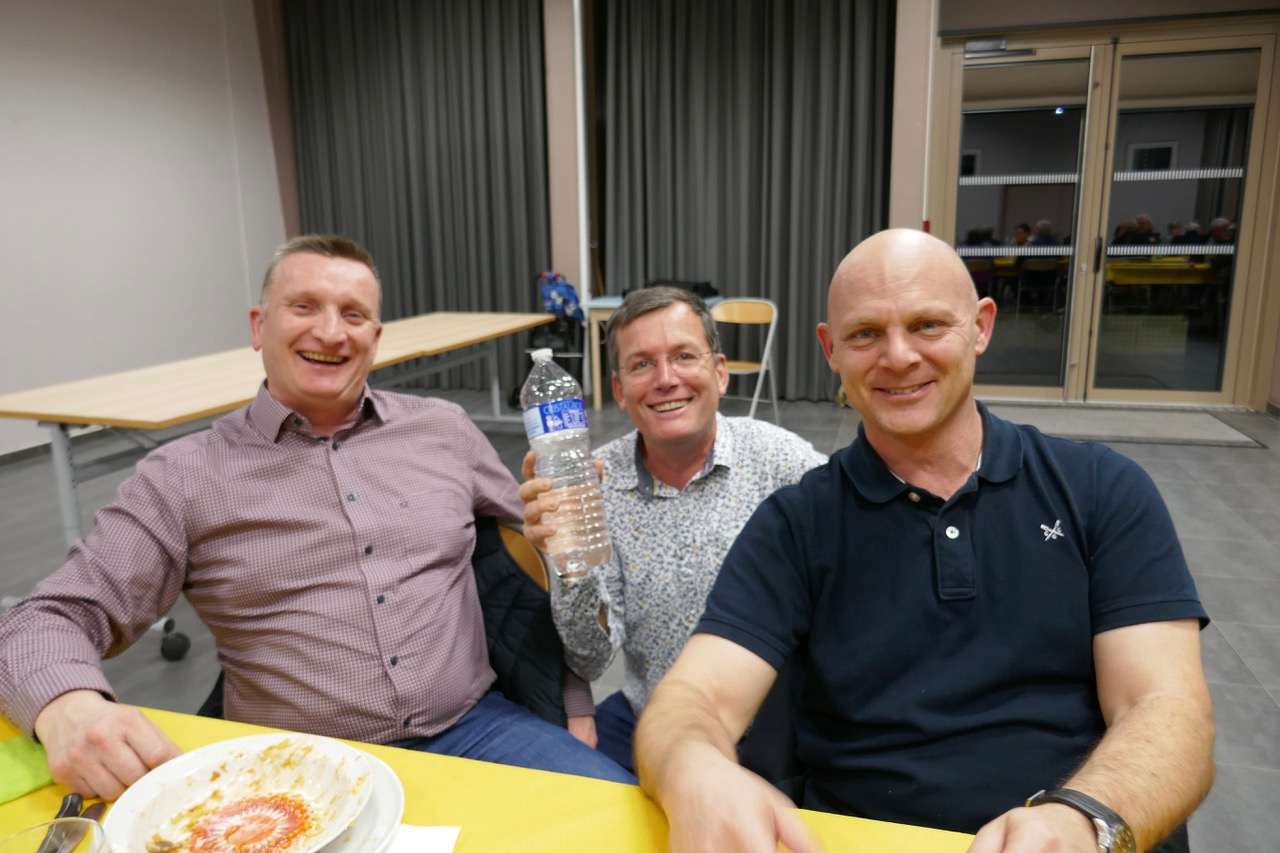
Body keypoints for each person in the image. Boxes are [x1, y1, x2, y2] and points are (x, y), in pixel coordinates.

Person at [635, 229, 1214, 853]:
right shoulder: (795, 526)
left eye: (927, 325)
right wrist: (694, 770)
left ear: (981, 327)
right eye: (865, 334)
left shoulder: (1101, 490)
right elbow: (693, 697)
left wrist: (1082, 819)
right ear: (831, 349)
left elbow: (1168, 710)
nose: (899, 356)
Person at [0, 234, 633, 799]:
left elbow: (551, 555)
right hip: (295, 766)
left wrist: (572, 696)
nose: (331, 333)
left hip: (476, 730)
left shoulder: (443, 430)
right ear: (259, 326)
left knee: (618, 822)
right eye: (304, 307)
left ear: (375, 339)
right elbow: (45, 618)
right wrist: (68, 705)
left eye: (353, 315)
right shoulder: (185, 476)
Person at [519, 287, 826, 773]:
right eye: (642, 364)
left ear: (719, 372)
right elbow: (591, 659)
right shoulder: (595, 485)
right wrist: (568, 559)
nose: (666, 379)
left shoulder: (781, 462)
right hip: (655, 722)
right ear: (619, 391)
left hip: (776, 730)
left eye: (684, 356)